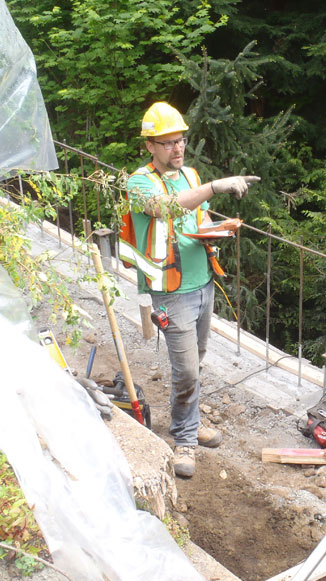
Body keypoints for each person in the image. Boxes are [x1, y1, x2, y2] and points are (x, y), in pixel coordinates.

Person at [120, 101, 259, 477]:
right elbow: (166, 209)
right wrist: (217, 187)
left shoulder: (190, 175)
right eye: (168, 143)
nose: (177, 148)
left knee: (195, 362)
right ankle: (183, 437)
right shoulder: (138, 183)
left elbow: (197, 216)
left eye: (181, 141)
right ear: (150, 146)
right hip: (170, 292)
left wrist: (218, 227)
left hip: (201, 284)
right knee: (186, 372)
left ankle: (192, 423)